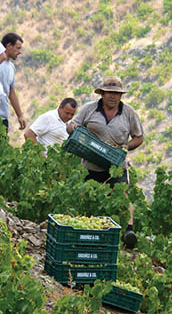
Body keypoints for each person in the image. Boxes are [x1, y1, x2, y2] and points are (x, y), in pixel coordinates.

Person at [66, 76, 144, 248]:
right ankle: (84, 233)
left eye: (116, 93)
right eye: (109, 92)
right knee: (86, 197)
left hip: (116, 165)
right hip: (91, 163)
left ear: (121, 96)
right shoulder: (89, 109)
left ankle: (128, 231)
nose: (112, 96)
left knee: (122, 195)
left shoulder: (129, 113)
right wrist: (72, 128)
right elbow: (72, 125)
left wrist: (126, 147)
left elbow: (139, 137)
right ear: (102, 93)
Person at [0, 32, 26, 132]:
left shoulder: (11, 67)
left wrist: (20, 116)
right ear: (9, 46)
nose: (19, 52)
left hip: (3, 118)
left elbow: (11, 92)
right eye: (18, 48)